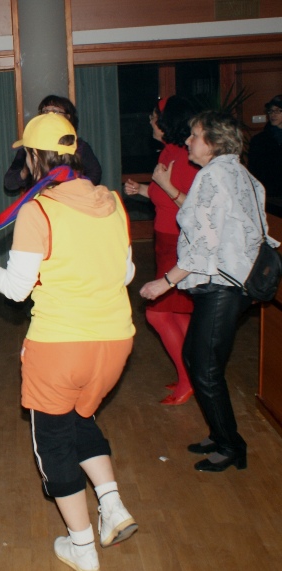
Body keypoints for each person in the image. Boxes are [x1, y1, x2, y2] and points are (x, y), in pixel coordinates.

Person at [0, 113, 137, 571]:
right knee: (79, 420)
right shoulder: (113, 201)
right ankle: (112, 506)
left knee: (52, 444)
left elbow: (16, 289)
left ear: (34, 158)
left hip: (60, 348)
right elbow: (127, 272)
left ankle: (82, 547)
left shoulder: (39, 210)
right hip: (115, 342)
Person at [140, 111, 277, 473]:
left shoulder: (213, 176)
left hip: (223, 285)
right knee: (197, 358)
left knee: (205, 367)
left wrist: (165, 281)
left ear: (214, 142)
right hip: (233, 283)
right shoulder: (240, 174)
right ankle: (220, 435)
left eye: (195, 135)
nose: (188, 140)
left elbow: (203, 244)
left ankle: (232, 446)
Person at [125, 96, 199, 405]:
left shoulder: (184, 156)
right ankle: (191, 375)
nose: (150, 121)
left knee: (156, 314)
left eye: (155, 117)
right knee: (178, 315)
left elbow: (193, 207)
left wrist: (163, 186)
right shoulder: (169, 151)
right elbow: (165, 196)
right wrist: (142, 189)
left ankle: (188, 379)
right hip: (165, 240)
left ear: (167, 122)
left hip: (179, 244)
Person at [4, 95, 102, 194]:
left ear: (68, 117)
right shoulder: (30, 144)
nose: (49, 115)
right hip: (39, 198)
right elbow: (9, 183)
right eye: (45, 111)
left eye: (55, 111)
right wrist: (26, 169)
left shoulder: (78, 146)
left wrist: (78, 191)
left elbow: (95, 173)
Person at [248, 94, 282, 198]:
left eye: (278, 111)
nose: (273, 114)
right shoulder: (259, 140)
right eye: (271, 111)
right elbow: (254, 171)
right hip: (269, 195)